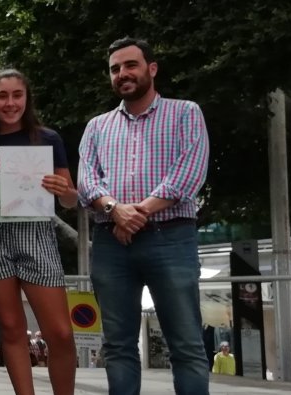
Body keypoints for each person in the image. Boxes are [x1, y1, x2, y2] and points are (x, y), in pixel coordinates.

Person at [77, 37, 210, 395]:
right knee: (118, 347)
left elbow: (190, 172)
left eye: (130, 65)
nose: (123, 74)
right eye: (115, 69)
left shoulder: (186, 113)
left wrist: (134, 214)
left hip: (172, 239)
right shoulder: (97, 127)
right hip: (110, 244)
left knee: (186, 344)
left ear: (151, 69)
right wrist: (113, 210)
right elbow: (87, 181)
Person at [0, 69, 76, 395]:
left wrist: (63, 189)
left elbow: (70, 200)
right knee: (10, 327)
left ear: (27, 98)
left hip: (36, 234)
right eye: (2, 96)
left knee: (60, 332)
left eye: (16, 95)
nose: (10, 103)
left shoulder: (48, 139)